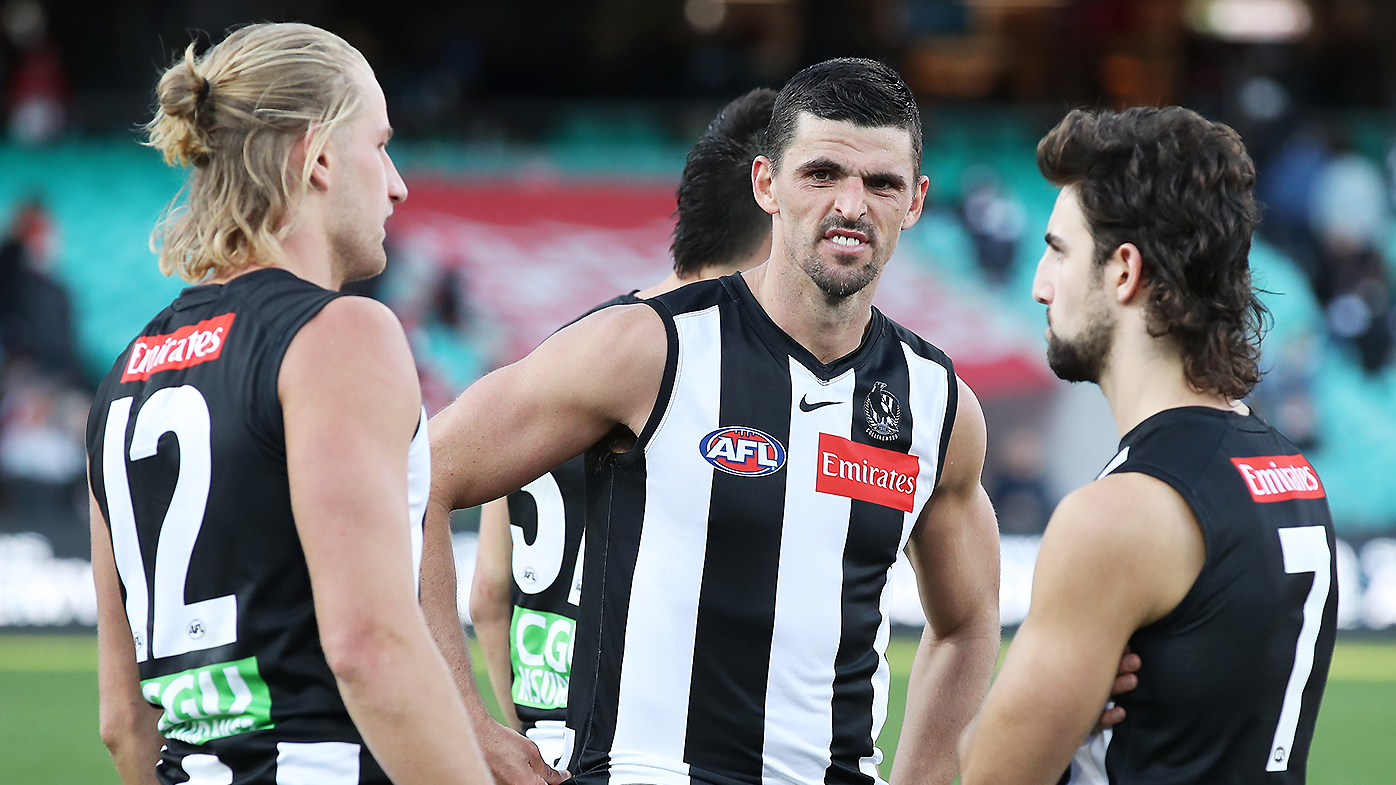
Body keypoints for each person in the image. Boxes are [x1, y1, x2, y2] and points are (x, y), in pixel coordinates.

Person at [423, 58, 1003, 785]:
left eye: (881, 183)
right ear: (767, 184)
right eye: (821, 174)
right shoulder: (646, 347)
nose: (852, 205)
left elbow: (969, 622)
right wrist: (463, 722)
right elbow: (419, 475)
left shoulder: (936, 402)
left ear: (915, 201)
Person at [84, 24, 490, 785]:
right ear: (320, 156)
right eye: (381, 145)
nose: (397, 183)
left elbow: (124, 718)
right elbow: (370, 644)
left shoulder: (125, 374)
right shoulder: (343, 333)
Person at [959, 107, 1338, 785]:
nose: (1040, 284)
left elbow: (991, 773)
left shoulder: (1119, 513)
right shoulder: (1289, 468)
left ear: (1124, 271)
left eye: (1059, 250)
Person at [467, 87, 778, 771]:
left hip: (545, 744)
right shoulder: (703, 371)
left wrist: (516, 736)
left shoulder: (559, 356)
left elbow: (490, 595)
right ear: (772, 212)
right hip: (650, 753)